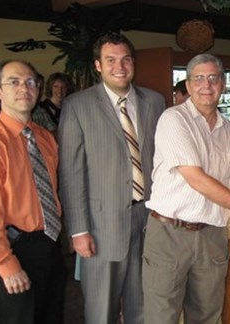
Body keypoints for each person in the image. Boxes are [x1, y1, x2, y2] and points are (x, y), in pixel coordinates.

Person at [142, 53, 230, 324]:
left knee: (207, 317)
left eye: (212, 78)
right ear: (188, 84)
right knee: (161, 317)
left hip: (212, 236)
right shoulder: (173, 120)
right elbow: (196, 179)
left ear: (223, 84)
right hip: (170, 234)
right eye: (198, 78)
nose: (205, 85)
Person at [58, 32, 166, 324]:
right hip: (100, 227)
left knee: (143, 304)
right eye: (111, 60)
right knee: (101, 310)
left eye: (125, 59)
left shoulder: (154, 102)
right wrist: (78, 230)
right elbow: (71, 172)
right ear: (98, 65)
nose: (120, 66)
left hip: (150, 220)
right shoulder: (77, 106)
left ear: (133, 63)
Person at [0, 60, 66, 323]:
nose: (24, 88)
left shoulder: (45, 138)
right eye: (14, 82)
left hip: (50, 247)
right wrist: (6, 265)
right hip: (13, 251)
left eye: (30, 82)